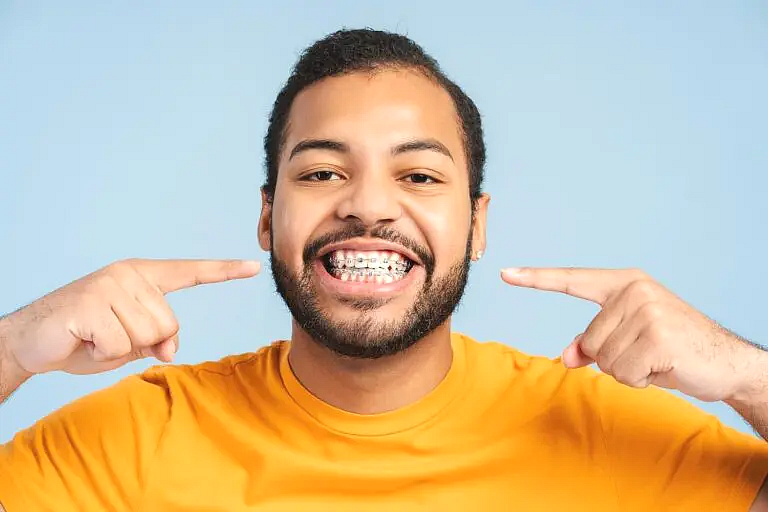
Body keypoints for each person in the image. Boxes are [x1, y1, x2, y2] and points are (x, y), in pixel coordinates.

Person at [0, 28, 767, 511]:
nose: (369, 207)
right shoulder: (129, 444)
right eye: (323, 173)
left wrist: (746, 376)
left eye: (421, 177)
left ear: (478, 224)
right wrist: (9, 351)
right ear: (268, 218)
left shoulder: (610, 435)